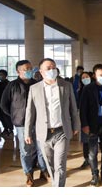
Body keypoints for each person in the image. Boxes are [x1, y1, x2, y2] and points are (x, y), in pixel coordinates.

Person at [24, 58, 79, 187]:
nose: (52, 70)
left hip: (61, 131)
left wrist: (76, 125)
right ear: (41, 72)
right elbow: (30, 112)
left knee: (60, 165)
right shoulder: (34, 88)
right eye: (48, 68)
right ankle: (56, 184)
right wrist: (27, 132)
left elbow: (73, 107)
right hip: (44, 133)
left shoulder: (66, 86)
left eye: (54, 67)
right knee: (50, 165)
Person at [0, 60, 49, 187]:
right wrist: (14, 115)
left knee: (41, 148)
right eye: (26, 69)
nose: (29, 71)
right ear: (18, 71)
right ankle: (28, 173)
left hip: (37, 122)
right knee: (25, 150)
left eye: (30, 68)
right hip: (21, 124)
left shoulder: (37, 84)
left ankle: (43, 170)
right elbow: (3, 104)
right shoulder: (12, 85)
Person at [78, 71, 93, 169]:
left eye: (87, 77)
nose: (85, 79)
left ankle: (93, 158)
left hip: (94, 118)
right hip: (85, 119)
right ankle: (86, 159)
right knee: (85, 141)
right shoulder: (80, 91)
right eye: (83, 78)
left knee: (94, 140)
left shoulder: (95, 88)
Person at [0, 69, 13, 137]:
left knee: (7, 118)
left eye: (1, 75)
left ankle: (11, 130)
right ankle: (5, 129)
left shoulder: (9, 84)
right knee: (1, 118)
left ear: (5, 75)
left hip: (6, 105)